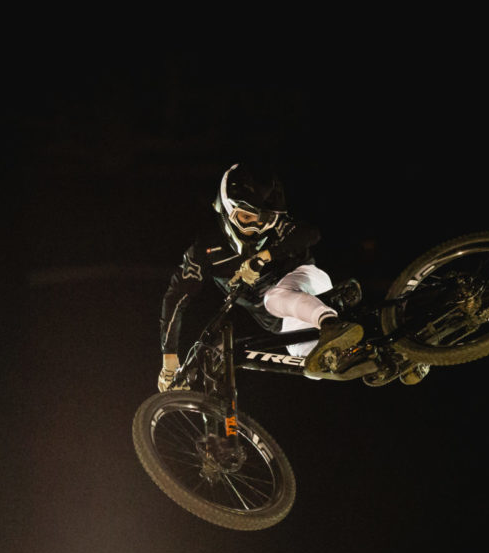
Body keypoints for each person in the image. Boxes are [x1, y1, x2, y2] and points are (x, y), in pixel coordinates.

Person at [158, 162, 412, 391]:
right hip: (285, 321)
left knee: (273, 298)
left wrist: (265, 256)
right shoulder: (204, 251)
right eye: (247, 218)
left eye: (264, 220)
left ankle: (331, 323)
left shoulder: (277, 227)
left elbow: (310, 234)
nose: (255, 228)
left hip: (305, 280)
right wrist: (169, 358)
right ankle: (397, 354)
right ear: (226, 208)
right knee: (315, 366)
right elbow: (176, 298)